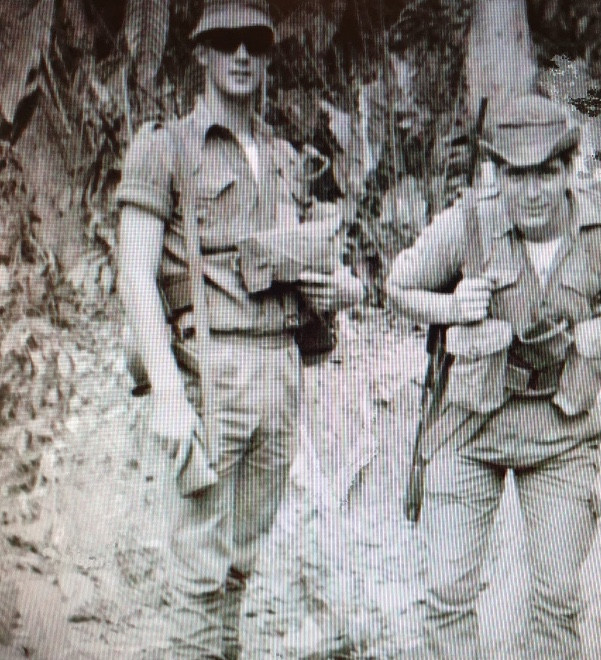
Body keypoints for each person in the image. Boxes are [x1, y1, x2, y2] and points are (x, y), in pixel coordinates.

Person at [116, 1, 363, 657]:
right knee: (200, 571)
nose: (243, 55)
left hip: (279, 371)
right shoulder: (164, 148)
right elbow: (135, 274)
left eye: (255, 42)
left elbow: (308, 265)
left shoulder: (283, 159)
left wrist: (344, 289)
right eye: (227, 42)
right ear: (201, 52)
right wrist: (168, 393)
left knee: (239, 561)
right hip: (210, 370)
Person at [386, 94, 601, 658]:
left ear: (569, 168)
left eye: (545, 173)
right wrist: (452, 307)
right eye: (516, 175)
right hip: (469, 428)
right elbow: (398, 288)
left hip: (563, 437)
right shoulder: (467, 223)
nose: (531, 192)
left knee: (557, 602)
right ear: (496, 173)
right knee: (446, 596)